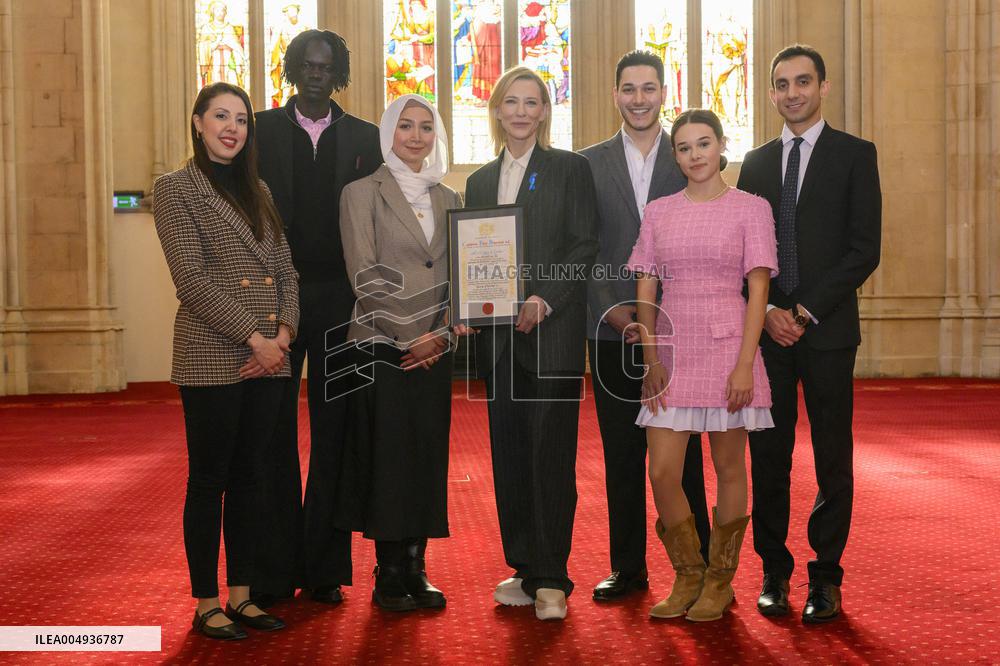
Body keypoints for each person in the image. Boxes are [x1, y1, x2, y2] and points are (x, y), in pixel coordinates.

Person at [737, 44, 881, 624]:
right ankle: (774, 569)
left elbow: (863, 250)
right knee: (768, 456)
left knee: (831, 457)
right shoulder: (754, 163)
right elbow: (743, 253)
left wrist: (803, 312)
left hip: (826, 333)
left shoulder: (855, 155)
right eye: (781, 84)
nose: (792, 92)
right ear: (771, 93)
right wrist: (770, 307)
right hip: (767, 334)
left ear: (823, 87)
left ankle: (826, 575)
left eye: (803, 81)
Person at [153, 82, 299, 640]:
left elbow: (286, 271)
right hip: (214, 354)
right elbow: (192, 280)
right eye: (220, 116)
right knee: (210, 477)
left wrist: (284, 333)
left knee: (252, 477)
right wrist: (256, 338)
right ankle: (206, 600)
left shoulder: (257, 188)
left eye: (240, 118)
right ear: (197, 122)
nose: (232, 127)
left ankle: (242, 594)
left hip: (271, 356)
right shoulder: (175, 189)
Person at [460, 66, 598, 621]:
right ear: (496, 110)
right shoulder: (478, 181)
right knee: (510, 455)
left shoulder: (570, 169)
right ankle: (522, 564)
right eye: (510, 102)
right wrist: (470, 305)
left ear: (544, 111)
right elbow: (473, 257)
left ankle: (553, 577)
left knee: (550, 457)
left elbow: (584, 244)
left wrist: (545, 297)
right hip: (499, 342)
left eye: (531, 102)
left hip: (551, 335)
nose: (520, 111)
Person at [628, 108, 777, 622]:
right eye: (685, 147)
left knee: (730, 467)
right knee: (663, 471)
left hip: (728, 349)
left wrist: (744, 365)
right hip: (672, 352)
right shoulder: (659, 211)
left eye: (704, 143)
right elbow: (646, 286)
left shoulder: (751, 208)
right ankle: (687, 573)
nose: (695, 155)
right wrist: (650, 356)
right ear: (676, 156)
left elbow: (758, 291)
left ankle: (719, 580)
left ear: (721, 147)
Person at [253, 29, 382, 608]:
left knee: (337, 432)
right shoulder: (258, 130)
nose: (315, 74)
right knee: (271, 433)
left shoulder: (366, 137)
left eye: (326, 66)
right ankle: (274, 571)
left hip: (341, 300)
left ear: (340, 73)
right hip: (273, 301)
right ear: (291, 70)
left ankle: (326, 569)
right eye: (305, 65)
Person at [580, 50, 710, 602]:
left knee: (688, 453)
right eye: (629, 88)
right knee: (621, 451)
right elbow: (580, 247)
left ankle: (700, 563)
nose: (639, 98)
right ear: (615, 95)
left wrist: (658, 317)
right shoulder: (585, 163)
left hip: (679, 331)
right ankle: (628, 567)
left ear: (663, 92)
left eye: (649, 88)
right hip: (609, 327)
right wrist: (612, 309)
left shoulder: (686, 156)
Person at [336, 94, 460, 613]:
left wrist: (442, 335)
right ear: (388, 133)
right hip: (381, 345)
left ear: (437, 136)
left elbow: (461, 273)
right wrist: (411, 335)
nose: (415, 136)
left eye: (425, 127)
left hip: (436, 345)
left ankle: (417, 564)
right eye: (405, 126)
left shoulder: (450, 197)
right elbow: (364, 275)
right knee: (387, 459)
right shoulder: (361, 193)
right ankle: (387, 572)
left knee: (427, 456)